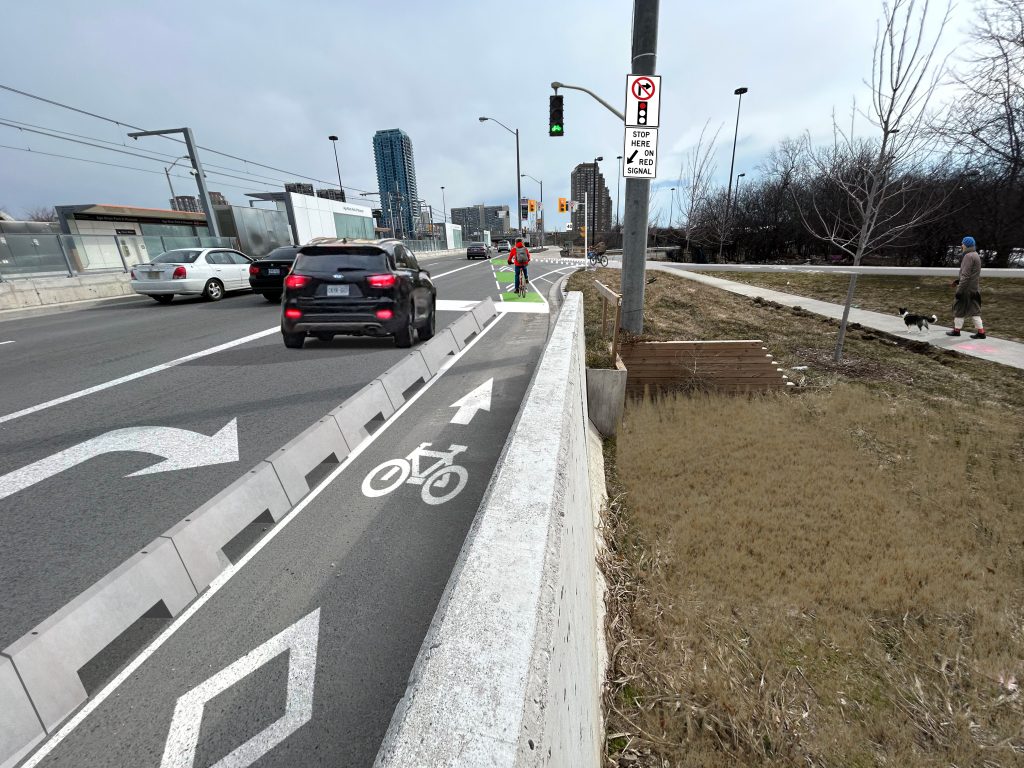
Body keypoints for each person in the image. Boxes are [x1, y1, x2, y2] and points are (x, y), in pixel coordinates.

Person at [947, 236, 986, 339]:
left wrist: (959, 290)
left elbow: (966, 275)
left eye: (963, 243)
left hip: (966, 290)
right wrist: (958, 281)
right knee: (975, 310)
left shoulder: (968, 256)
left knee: (959, 309)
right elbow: (972, 275)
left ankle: (956, 331)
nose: (961, 245)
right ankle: (981, 332)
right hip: (974, 289)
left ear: (967, 245)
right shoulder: (976, 255)